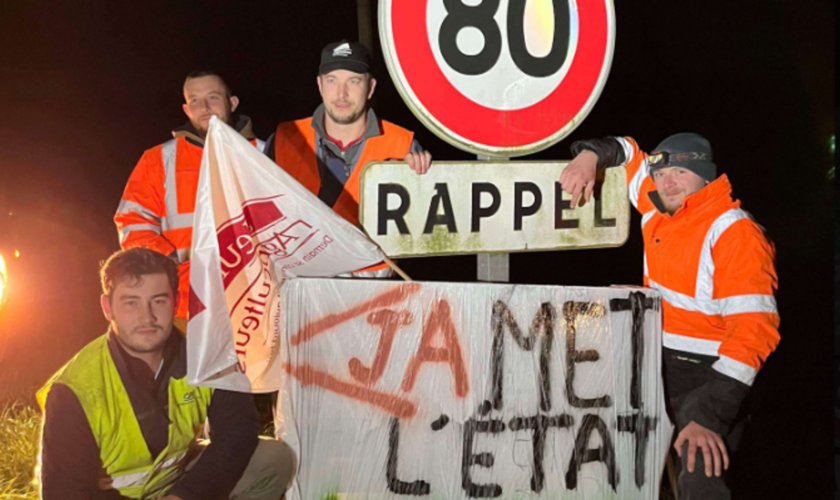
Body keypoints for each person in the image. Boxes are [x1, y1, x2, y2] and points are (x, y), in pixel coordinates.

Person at [560, 133, 780, 499]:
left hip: (711, 378)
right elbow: (628, 153)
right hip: (657, 368)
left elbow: (754, 334)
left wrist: (708, 416)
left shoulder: (735, 233)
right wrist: (587, 157)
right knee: (625, 471)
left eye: (680, 171)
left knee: (699, 477)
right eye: (661, 173)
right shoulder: (659, 205)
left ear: (705, 176)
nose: (668, 182)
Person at [37, 248, 295, 500]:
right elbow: (62, 492)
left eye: (158, 301)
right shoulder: (75, 390)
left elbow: (238, 431)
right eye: (131, 303)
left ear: (177, 302)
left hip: (172, 483)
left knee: (271, 460)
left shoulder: (207, 350)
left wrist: (184, 495)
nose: (146, 317)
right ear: (108, 308)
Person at [264, 40, 431, 277]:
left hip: (373, 291)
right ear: (320, 85)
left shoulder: (403, 144)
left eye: (353, 81)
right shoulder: (284, 139)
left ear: (370, 88)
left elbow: (424, 233)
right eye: (332, 80)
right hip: (300, 285)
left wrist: (422, 181)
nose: (341, 93)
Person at [114, 71, 264, 321]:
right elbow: (132, 223)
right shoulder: (158, 160)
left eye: (213, 97)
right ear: (186, 108)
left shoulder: (263, 154)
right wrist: (172, 267)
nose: (204, 107)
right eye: (195, 100)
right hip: (187, 307)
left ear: (233, 103)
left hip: (258, 305)